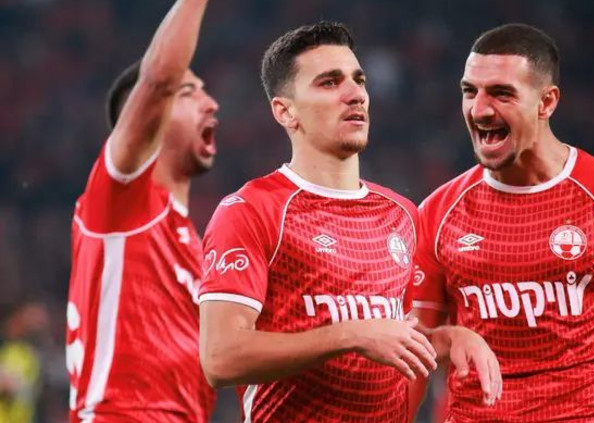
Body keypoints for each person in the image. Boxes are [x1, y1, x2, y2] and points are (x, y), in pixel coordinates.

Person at [198, 21, 500, 423]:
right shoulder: (252, 210)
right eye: (329, 82)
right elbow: (220, 357)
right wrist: (350, 335)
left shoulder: (401, 214)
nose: (355, 93)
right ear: (285, 111)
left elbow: (389, 338)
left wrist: (446, 340)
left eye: (358, 80)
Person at [409, 23, 594, 422]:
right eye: (470, 91)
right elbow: (412, 354)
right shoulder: (437, 213)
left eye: (501, 93)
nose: (480, 110)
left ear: (546, 102)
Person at [66, 0, 218, 421]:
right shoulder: (120, 201)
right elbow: (159, 80)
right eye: (190, 92)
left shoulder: (196, 247)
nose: (211, 103)